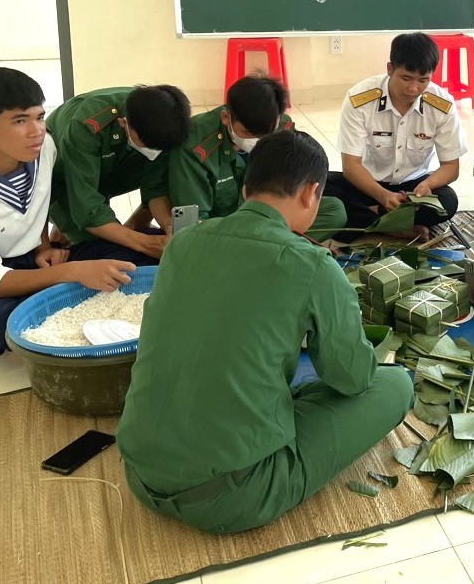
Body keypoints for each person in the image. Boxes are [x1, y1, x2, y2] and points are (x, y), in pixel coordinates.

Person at [118, 130, 414, 534]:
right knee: (394, 384)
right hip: (234, 495)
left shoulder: (183, 244)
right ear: (313, 194)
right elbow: (353, 377)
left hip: (140, 473)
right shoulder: (313, 264)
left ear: (244, 189)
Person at [0, 68, 136, 354]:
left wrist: (44, 246)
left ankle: (55, 297)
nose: (36, 131)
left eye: (39, 116)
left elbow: (34, 202)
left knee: (132, 260)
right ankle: (58, 298)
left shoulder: (43, 147)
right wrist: (70, 272)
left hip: (34, 261)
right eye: (19, 121)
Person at [167, 74, 345, 239]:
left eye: (266, 134)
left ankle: (264, 246)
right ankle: (268, 247)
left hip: (266, 217)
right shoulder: (195, 145)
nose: (257, 141)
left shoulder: (282, 127)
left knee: (334, 211)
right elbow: (194, 223)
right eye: (248, 132)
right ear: (225, 117)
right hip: (223, 228)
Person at [324, 32, 466, 238]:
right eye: (406, 78)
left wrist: (428, 185)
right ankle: (394, 225)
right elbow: (351, 166)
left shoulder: (442, 105)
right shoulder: (360, 100)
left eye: (423, 80)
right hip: (367, 185)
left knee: (447, 201)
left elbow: (451, 167)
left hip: (413, 188)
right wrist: (382, 195)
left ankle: (373, 220)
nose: (413, 88)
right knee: (320, 187)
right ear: (390, 69)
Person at [46, 84, 192, 264]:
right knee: (93, 244)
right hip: (64, 172)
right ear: (124, 122)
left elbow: (156, 187)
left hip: (110, 162)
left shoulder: (164, 124)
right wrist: (143, 244)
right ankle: (61, 234)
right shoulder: (87, 126)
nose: (154, 152)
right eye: (147, 145)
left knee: (115, 237)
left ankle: (66, 231)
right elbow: (87, 208)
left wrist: (168, 226)